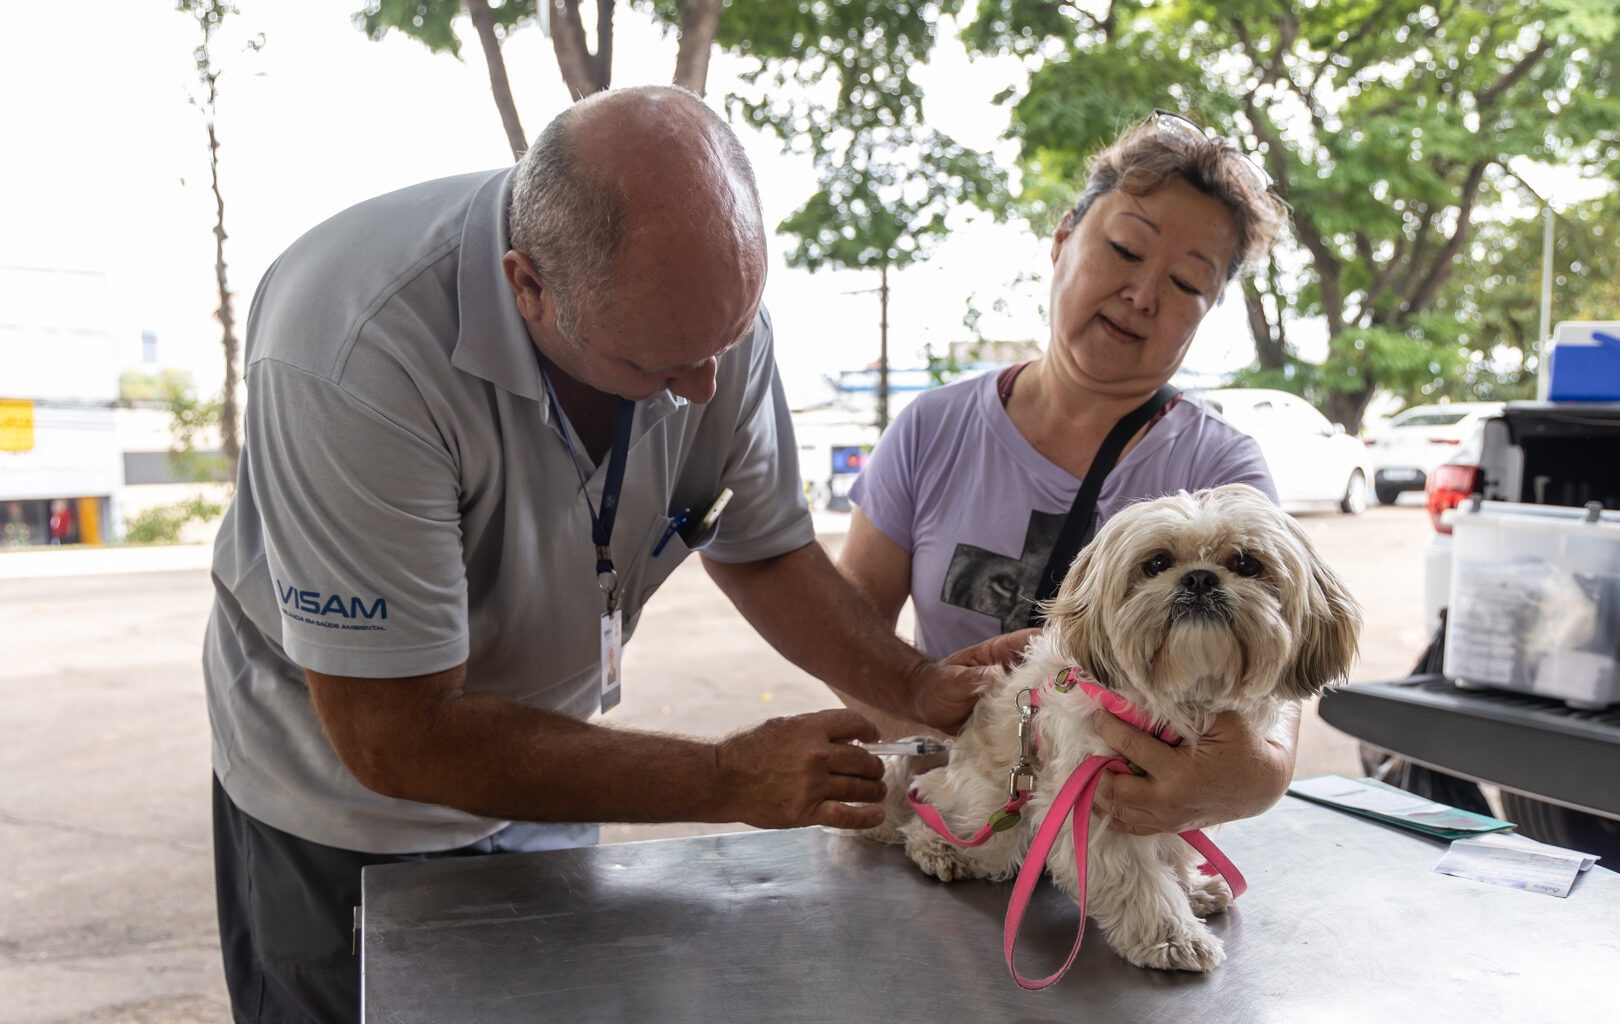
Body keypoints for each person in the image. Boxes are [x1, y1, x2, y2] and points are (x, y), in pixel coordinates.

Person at [203, 85, 1024, 1024]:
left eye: (729, 338)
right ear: (528, 286)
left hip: (544, 777)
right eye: (662, 366)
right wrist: (726, 778)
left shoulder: (700, 317)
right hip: (341, 822)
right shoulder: (352, 352)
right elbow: (398, 736)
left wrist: (915, 688)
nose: (708, 383)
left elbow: (760, 548)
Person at [838, 110, 1297, 839]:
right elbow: (848, 638)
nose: (1144, 295)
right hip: (954, 832)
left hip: (1126, 847)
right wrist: (960, 742)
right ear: (1062, 238)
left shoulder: (1222, 469)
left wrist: (1257, 779)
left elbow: (1276, 682)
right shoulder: (932, 429)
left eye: (1186, 283)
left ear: (1207, 313)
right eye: (1124, 248)